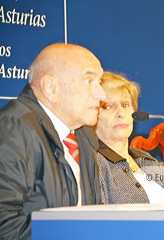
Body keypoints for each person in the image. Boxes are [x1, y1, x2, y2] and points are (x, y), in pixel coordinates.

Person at [0, 43, 105, 239]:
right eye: (88, 80)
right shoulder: (11, 129)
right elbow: (4, 225)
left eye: (99, 82)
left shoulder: (84, 136)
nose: (101, 94)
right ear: (50, 88)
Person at [94, 71, 164, 204]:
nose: (121, 113)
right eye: (107, 107)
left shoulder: (148, 160)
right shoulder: (95, 163)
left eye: (125, 105)